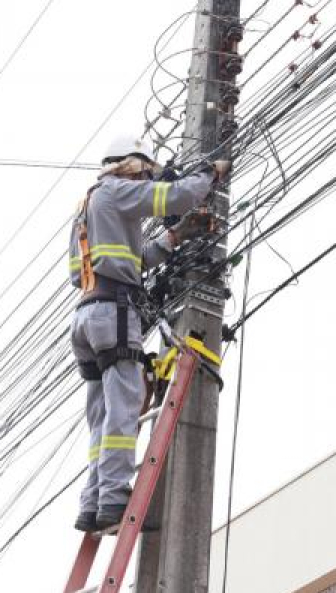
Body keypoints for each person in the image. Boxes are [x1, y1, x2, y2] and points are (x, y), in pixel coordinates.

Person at [68, 134, 229, 531]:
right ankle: (115, 499)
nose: (146, 178)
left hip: (86, 317)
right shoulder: (117, 190)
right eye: (145, 170)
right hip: (113, 313)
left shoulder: (89, 206)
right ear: (129, 164)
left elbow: (132, 261)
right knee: (125, 408)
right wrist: (210, 171)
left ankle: (94, 504)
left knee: (102, 418)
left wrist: (174, 238)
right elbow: (174, 197)